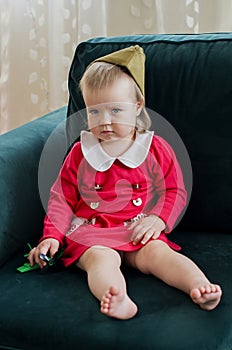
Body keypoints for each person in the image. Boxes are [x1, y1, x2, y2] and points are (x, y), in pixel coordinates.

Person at [29, 46, 222, 320]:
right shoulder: (80, 153)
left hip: (137, 228)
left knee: (159, 254)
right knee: (101, 260)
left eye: (116, 110)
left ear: (138, 107)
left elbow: (174, 190)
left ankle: (199, 286)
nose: (104, 122)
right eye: (94, 112)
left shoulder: (155, 149)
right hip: (91, 232)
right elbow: (61, 198)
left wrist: (158, 219)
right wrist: (51, 236)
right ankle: (116, 296)